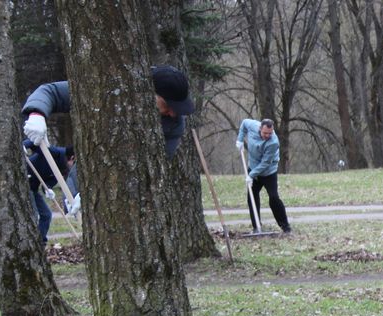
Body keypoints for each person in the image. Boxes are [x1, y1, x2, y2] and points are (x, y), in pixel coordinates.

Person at [21, 65, 195, 159]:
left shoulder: (174, 125)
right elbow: (51, 92)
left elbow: (157, 162)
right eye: (168, 105)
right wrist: (37, 114)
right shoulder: (109, 91)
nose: (173, 114)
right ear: (148, 92)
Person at [236, 118, 291, 233]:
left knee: (274, 198)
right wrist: (240, 140)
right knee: (252, 197)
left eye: (270, 133)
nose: (267, 135)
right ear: (260, 128)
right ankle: (256, 226)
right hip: (253, 167)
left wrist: (251, 175)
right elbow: (244, 123)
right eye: (265, 133)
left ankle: (285, 226)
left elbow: (265, 163)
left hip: (268, 172)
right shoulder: (252, 126)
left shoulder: (273, 142)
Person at [23, 141, 74, 245]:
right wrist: (23, 146)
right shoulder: (54, 152)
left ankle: (40, 243)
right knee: (34, 215)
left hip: (33, 189)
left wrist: (48, 190)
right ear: (72, 158)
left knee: (46, 215)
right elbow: (34, 142)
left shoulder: (62, 168)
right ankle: (30, 244)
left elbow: (49, 182)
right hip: (23, 183)